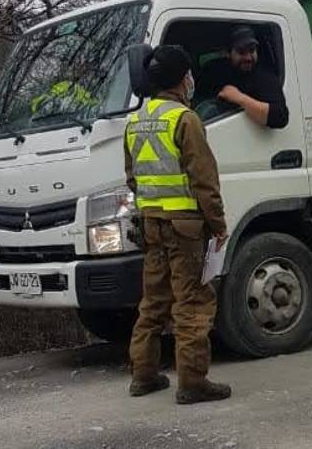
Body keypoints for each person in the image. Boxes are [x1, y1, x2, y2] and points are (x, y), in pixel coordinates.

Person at [125, 45, 232, 405]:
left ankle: (143, 375)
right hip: (185, 228)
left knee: (153, 301)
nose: (191, 80)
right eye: (188, 74)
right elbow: (204, 180)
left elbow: (133, 178)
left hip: (151, 225)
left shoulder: (136, 122)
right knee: (193, 302)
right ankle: (192, 382)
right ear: (181, 79)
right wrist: (218, 224)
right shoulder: (185, 119)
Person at [195, 25, 289, 128]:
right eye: (241, 52)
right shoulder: (215, 72)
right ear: (228, 53)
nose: (248, 57)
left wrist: (239, 98)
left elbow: (281, 118)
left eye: (252, 50)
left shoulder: (264, 77)